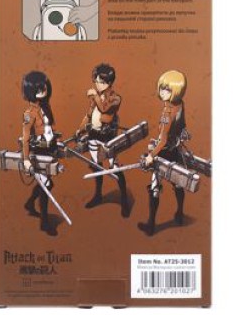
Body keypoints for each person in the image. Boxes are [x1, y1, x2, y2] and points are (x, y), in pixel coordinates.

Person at [138, 70, 189, 236]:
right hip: (176, 150)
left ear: (176, 91)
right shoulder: (180, 105)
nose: (162, 92)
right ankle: (179, 214)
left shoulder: (167, 113)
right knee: (177, 183)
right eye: (162, 88)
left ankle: (151, 225)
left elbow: (163, 140)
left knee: (155, 187)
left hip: (164, 152)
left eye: (167, 89)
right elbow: (182, 127)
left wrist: (151, 156)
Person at [76, 63, 130, 217]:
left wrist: (94, 96)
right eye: (96, 81)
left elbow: (104, 109)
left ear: (109, 82)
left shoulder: (115, 98)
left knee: (115, 167)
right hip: (93, 135)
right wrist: (80, 128)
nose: (98, 85)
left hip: (108, 138)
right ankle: (98, 195)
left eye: (101, 82)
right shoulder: (96, 98)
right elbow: (88, 115)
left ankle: (124, 200)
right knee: (96, 166)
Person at [21, 70, 58, 236]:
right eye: (39, 89)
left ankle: (30, 203)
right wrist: (26, 160)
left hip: (48, 148)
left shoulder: (44, 107)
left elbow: (49, 128)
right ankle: (44, 222)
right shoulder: (29, 114)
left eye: (44, 88)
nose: (44, 91)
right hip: (38, 151)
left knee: (46, 183)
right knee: (46, 185)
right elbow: (26, 138)